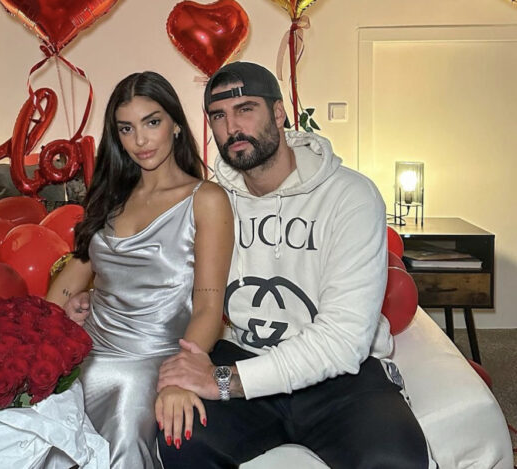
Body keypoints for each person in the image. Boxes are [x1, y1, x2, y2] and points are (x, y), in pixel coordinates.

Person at [151, 62, 435, 468]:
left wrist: (223, 381)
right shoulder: (211, 200)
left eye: (245, 109)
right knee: (180, 441)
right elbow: (173, 282)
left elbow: (343, 339)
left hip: (341, 378)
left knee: (395, 460)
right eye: (218, 116)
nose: (232, 127)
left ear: (279, 112)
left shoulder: (350, 196)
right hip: (244, 352)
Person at [46, 71, 233, 469]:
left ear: (176, 124)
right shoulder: (110, 197)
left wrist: (181, 377)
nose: (140, 141)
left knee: (124, 424)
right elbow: (66, 286)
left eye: (152, 122)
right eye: (126, 129)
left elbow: (208, 308)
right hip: (85, 349)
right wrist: (41, 338)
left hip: (150, 362)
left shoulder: (206, 199)